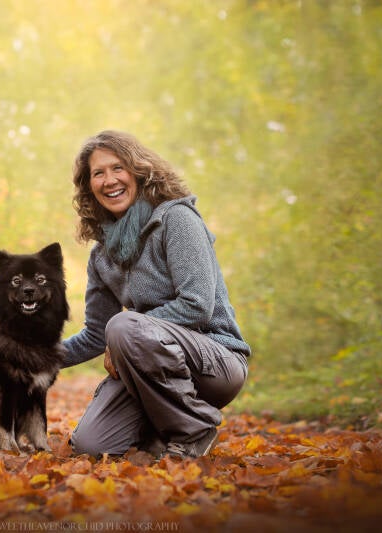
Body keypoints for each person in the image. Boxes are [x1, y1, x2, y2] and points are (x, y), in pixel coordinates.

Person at [62, 130, 250, 459]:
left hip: (215, 362)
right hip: (149, 365)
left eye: (118, 168)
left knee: (123, 326)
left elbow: (197, 305)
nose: (109, 180)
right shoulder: (102, 255)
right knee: (92, 446)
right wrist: (30, 356)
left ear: (138, 171)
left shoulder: (175, 219)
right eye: (98, 173)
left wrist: (126, 332)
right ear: (89, 186)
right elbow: (96, 334)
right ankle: (160, 432)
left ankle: (195, 430)